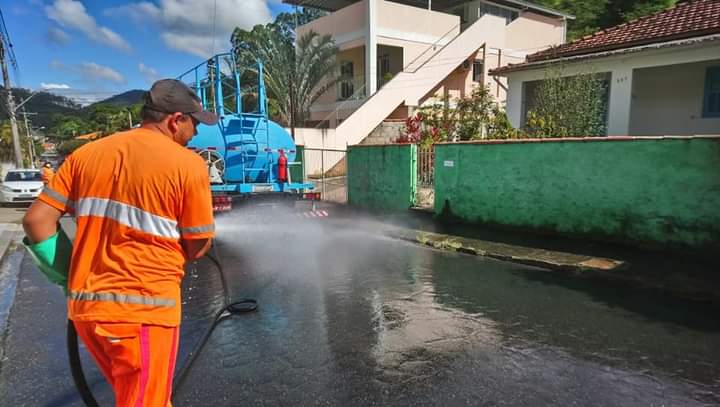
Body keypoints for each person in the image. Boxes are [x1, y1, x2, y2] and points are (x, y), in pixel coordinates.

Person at [22, 79, 218, 406]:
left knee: (138, 396)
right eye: (194, 122)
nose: (196, 132)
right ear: (174, 120)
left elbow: (36, 221)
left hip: (88, 311)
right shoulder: (187, 164)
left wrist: (68, 277)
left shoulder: (85, 155)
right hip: (143, 312)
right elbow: (197, 246)